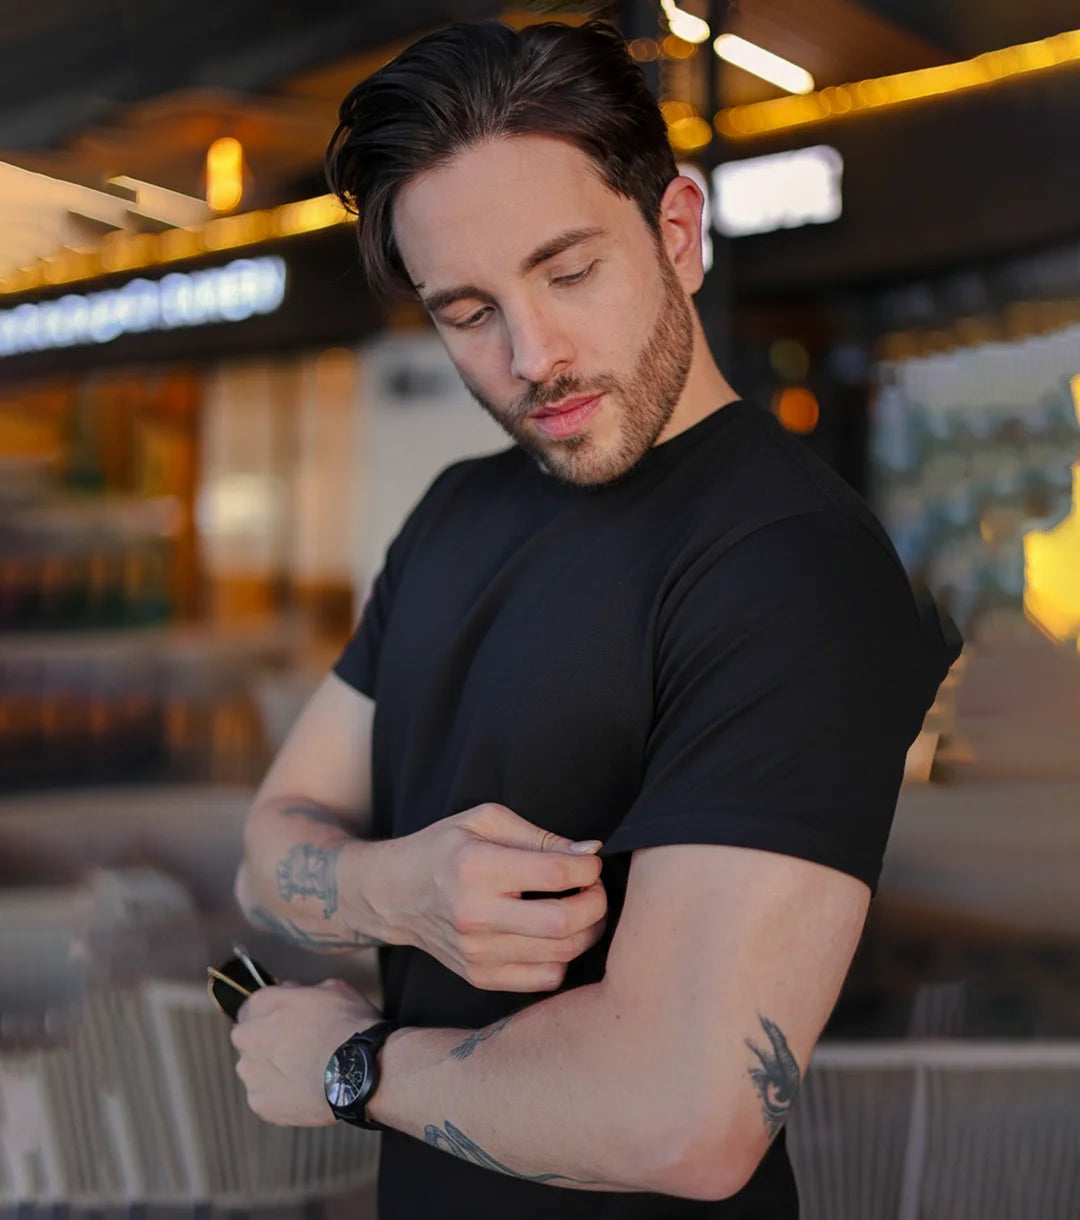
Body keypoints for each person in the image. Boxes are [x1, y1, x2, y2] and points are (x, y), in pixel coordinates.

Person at [229, 19, 960, 1219]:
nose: (534, 355)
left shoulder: (790, 563)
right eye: (468, 310)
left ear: (678, 232)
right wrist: (395, 886)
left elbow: (687, 1116)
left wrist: (350, 1066)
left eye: (568, 272)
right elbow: (268, 846)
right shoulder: (455, 511)